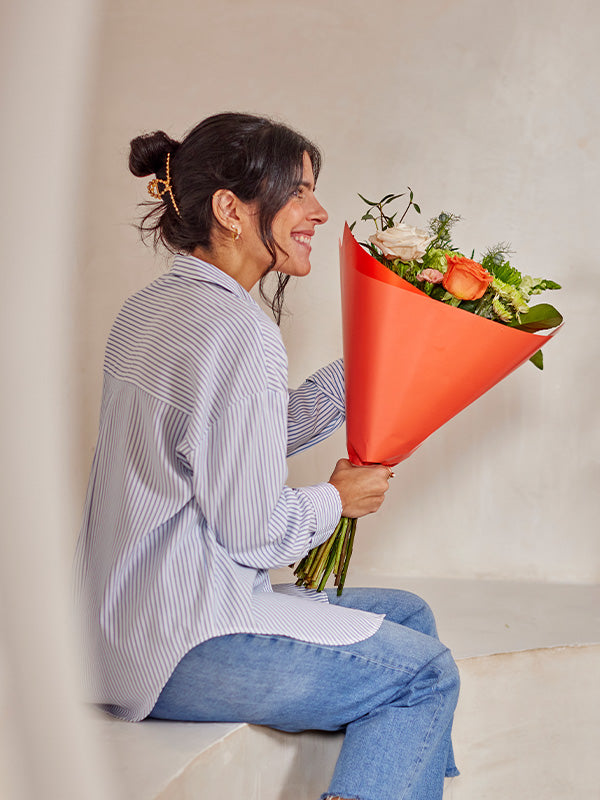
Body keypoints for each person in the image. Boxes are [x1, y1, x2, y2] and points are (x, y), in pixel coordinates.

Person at [74, 112, 459, 800]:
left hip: (118, 632)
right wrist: (337, 500)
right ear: (230, 209)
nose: (318, 210)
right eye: (300, 191)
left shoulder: (151, 309)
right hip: (183, 647)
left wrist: (385, 344)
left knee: (408, 615)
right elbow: (250, 531)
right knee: (425, 674)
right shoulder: (239, 333)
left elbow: (248, 432)